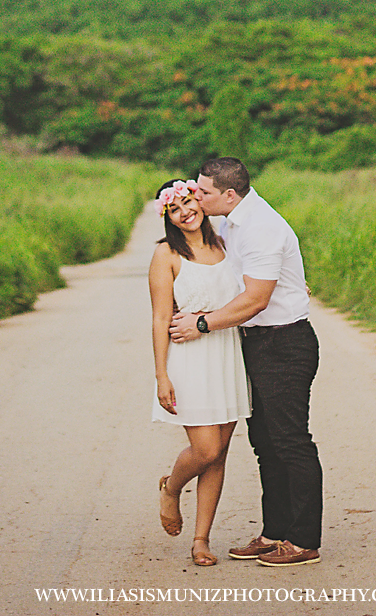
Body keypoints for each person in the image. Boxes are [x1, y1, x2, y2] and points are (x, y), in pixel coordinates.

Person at [169, 158, 323, 567]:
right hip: (255, 343)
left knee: (291, 442)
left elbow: (256, 299)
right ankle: (275, 533)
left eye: (203, 193)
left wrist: (201, 324)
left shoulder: (260, 227)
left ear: (229, 195)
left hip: (284, 343)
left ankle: (304, 540)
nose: (196, 198)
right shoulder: (231, 224)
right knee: (266, 445)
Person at [149, 178, 251, 567]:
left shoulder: (226, 245)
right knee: (205, 449)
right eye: (175, 209)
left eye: (190, 202)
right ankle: (172, 488)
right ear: (168, 217)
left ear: (202, 203)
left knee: (219, 454)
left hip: (228, 354)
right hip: (189, 357)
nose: (185, 211)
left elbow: (251, 291)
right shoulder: (166, 255)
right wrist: (161, 375)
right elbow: (160, 318)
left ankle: (201, 540)